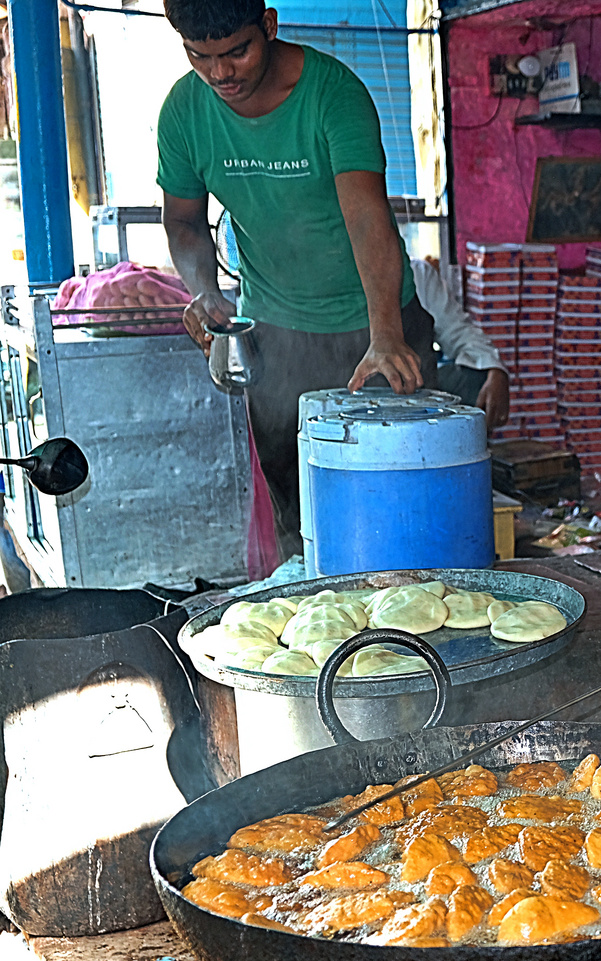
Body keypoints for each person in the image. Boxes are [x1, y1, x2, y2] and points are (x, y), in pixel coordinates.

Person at [157, 0, 434, 559]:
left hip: (377, 329)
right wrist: (204, 291)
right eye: (200, 56)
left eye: (237, 51)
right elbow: (183, 222)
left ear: (270, 25)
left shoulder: (334, 94)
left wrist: (385, 334)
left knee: (400, 510)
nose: (220, 74)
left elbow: (367, 218)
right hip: (277, 337)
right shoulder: (185, 112)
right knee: (301, 514)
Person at [410, 257, 511, 431]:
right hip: (366, 394)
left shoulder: (417, 273)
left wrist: (495, 369)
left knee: (475, 380)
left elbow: (457, 331)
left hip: (417, 390)